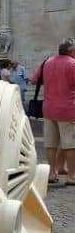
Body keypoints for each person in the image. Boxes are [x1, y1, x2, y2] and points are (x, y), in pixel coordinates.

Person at [34, 38, 75, 185]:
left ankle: (52, 173)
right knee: (70, 143)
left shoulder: (47, 62)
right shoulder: (72, 64)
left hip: (48, 107)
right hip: (68, 109)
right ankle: (72, 176)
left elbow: (33, 80)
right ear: (71, 51)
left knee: (51, 143)